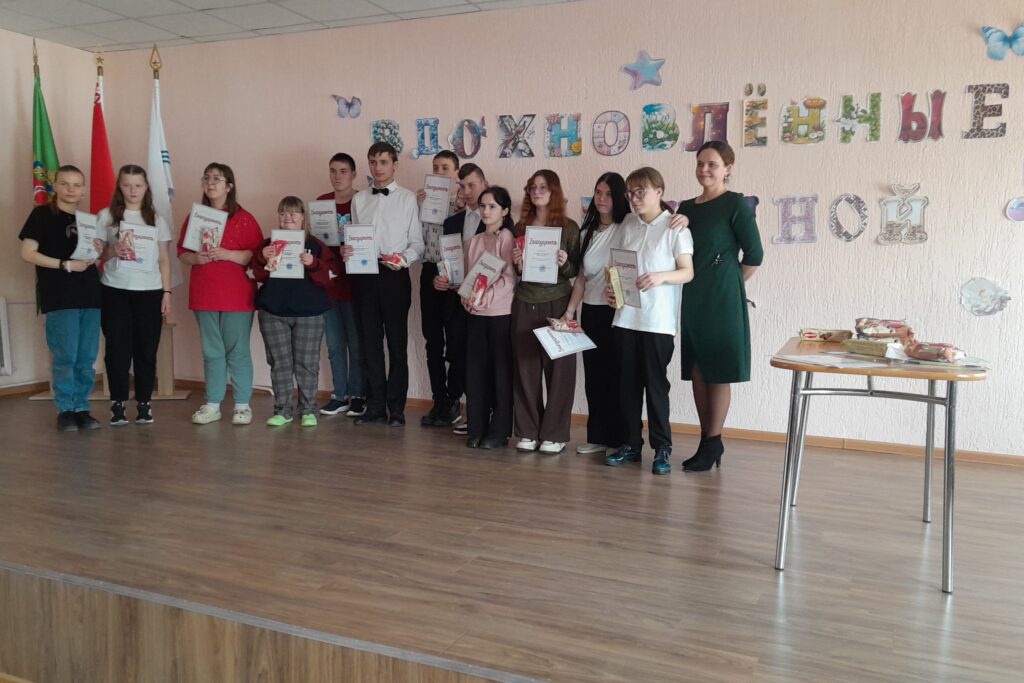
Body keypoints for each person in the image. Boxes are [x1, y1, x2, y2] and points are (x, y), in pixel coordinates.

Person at [675, 141, 763, 471]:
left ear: (728, 168)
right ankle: (706, 441)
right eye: (700, 163)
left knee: (718, 369)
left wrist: (730, 282)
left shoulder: (735, 204)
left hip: (723, 299)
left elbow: (754, 255)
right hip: (693, 296)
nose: (704, 170)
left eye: (712, 164)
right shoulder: (686, 208)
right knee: (698, 370)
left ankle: (713, 441)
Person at [604, 167, 694, 475]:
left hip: (657, 323)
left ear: (659, 191)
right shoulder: (628, 224)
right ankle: (631, 444)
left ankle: (662, 449)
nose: (634, 198)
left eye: (641, 191)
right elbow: (618, 267)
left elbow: (688, 272)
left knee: (656, 388)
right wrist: (612, 290)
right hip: (625, 319)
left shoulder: (675, 227)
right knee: (626, 387)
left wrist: (660, 277)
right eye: (630, 192)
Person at [342, 142, 424, 427]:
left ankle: (396, 408)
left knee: (397, 345)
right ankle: (375, 406)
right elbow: (355, 236)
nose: (378, 167)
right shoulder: (359, 199)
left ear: (394, 165)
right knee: (370, 344)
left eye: (383, 162)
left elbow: (418, 243)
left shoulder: (407, 198)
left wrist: (403, 259)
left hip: (394, 276)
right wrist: (348, 250)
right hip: (364, 276)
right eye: (373, 162)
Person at [177, 163, 264, 426]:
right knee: (212, 351)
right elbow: (182, 253)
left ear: (229, 186)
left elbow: (256, 255)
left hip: (236, 296)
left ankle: (242, 405)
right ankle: (212, 404)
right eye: (207, 178)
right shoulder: (195, 217)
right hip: (205, 294)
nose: (211, 183)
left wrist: (227, 254)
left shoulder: (244, 218)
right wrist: (196, 258)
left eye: (217, 178)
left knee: (237, 351)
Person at [19, 165, 104, 432]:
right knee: (66, 356)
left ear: (83, 190)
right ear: (55, 186)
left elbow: (91, 258)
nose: (71, 189)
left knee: (86, 357)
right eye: (65, 184)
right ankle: (66, 410)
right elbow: (27, 253)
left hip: (90, 295)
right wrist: (64, 265)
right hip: (60, 296)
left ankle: (81, 408)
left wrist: (98, 250)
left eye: (76, 185)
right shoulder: (42, 215)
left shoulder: (88, 220)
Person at [510, 170, 580, 454]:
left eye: (543, 187)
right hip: (525, 301)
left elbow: (577, 272)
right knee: (525, 369)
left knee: (560, 370)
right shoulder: (521, 227)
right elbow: (518, 271)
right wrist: (517, 263)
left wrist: (564, 263)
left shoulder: (569, 227)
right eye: (532, 187)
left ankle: (555, 434)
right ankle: (528, 431)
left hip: (558, 302)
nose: (537, 192)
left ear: (554, 191)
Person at [252, 197, 338, 427]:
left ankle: (308, 410)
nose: (287, 218)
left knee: (307, 363)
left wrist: (314, 264)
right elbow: (255, 275)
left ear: (303, 218)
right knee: (279, 363)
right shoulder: (268, 245)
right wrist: (262, 257)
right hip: (273, 312)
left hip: (310, 313)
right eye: (283, 213)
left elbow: (330, 278)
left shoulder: (316, 246)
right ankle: (282, 410)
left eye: (293, 213)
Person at [96, 165, 172, 426]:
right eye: (127, 185)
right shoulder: (105, 216)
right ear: (119, 186)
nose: (132, 190)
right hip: (115, 290)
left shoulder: (156, 219)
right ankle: (117, 403)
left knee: (146, 350)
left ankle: (144, 403)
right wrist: (112, 251)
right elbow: (97, 254)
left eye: (138, 185)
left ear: (146, 187)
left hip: (149, 292)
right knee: (117, 349)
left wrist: (167, 292)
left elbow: (164, 259)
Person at [563, 173, 630, 455]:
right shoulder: (586, 233)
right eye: (598, 192)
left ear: (620, 197)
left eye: (609, 193)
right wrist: (570, 311)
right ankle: (598, 436)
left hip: (618, 313)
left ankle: (621, 439)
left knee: (617, 375)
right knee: (594, 374)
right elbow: (581, 278)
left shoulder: (627, 227)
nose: (602, 199)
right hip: (590, 311)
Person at [457, 186, 515, 449]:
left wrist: (485, 298)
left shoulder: (507, 238)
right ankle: (477, 427)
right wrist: (467, 297)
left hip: (499, 314)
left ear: (504, 211)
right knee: (475, 371)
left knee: (500, 373)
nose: (486, 211)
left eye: (492, 206)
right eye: (482, 206)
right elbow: (468, 277)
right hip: (475, 315)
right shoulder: (475, 240)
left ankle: (499, 431)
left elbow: (508, 280)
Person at [436, 162, 489, 436]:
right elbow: (446, 263)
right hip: (455, 302)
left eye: (472, 185)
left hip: (485, 302)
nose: (467, 191)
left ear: (484, 184)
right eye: (462, 186)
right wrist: (440, 279)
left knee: (483, 358)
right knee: (458, 355)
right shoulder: (451, 222)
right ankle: (467, 411)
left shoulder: (497, 220)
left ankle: (484, 415)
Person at [316, 152, 366, 419]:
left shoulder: (363, 201)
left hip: (356, 284)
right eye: (333, 171)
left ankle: (358, 395)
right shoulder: (321, 204)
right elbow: (316, 244)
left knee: (356, 344)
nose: (337, 176)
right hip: (329, 285)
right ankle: (339, 395)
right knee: (335, 345)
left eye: (343, 171)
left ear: (354, 174)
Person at [417, 150, 464, 427]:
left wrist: (460, 206)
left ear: (456, 173)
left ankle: (454, 399)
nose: (439, 172)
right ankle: (439, 399)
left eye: (445, 167)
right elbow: (415, 237)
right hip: (429, 270)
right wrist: (418, 206)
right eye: (435, 167)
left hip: (456, 274)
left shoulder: (464, 203)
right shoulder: (422, 201)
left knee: (456, 340)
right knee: (432, 341)